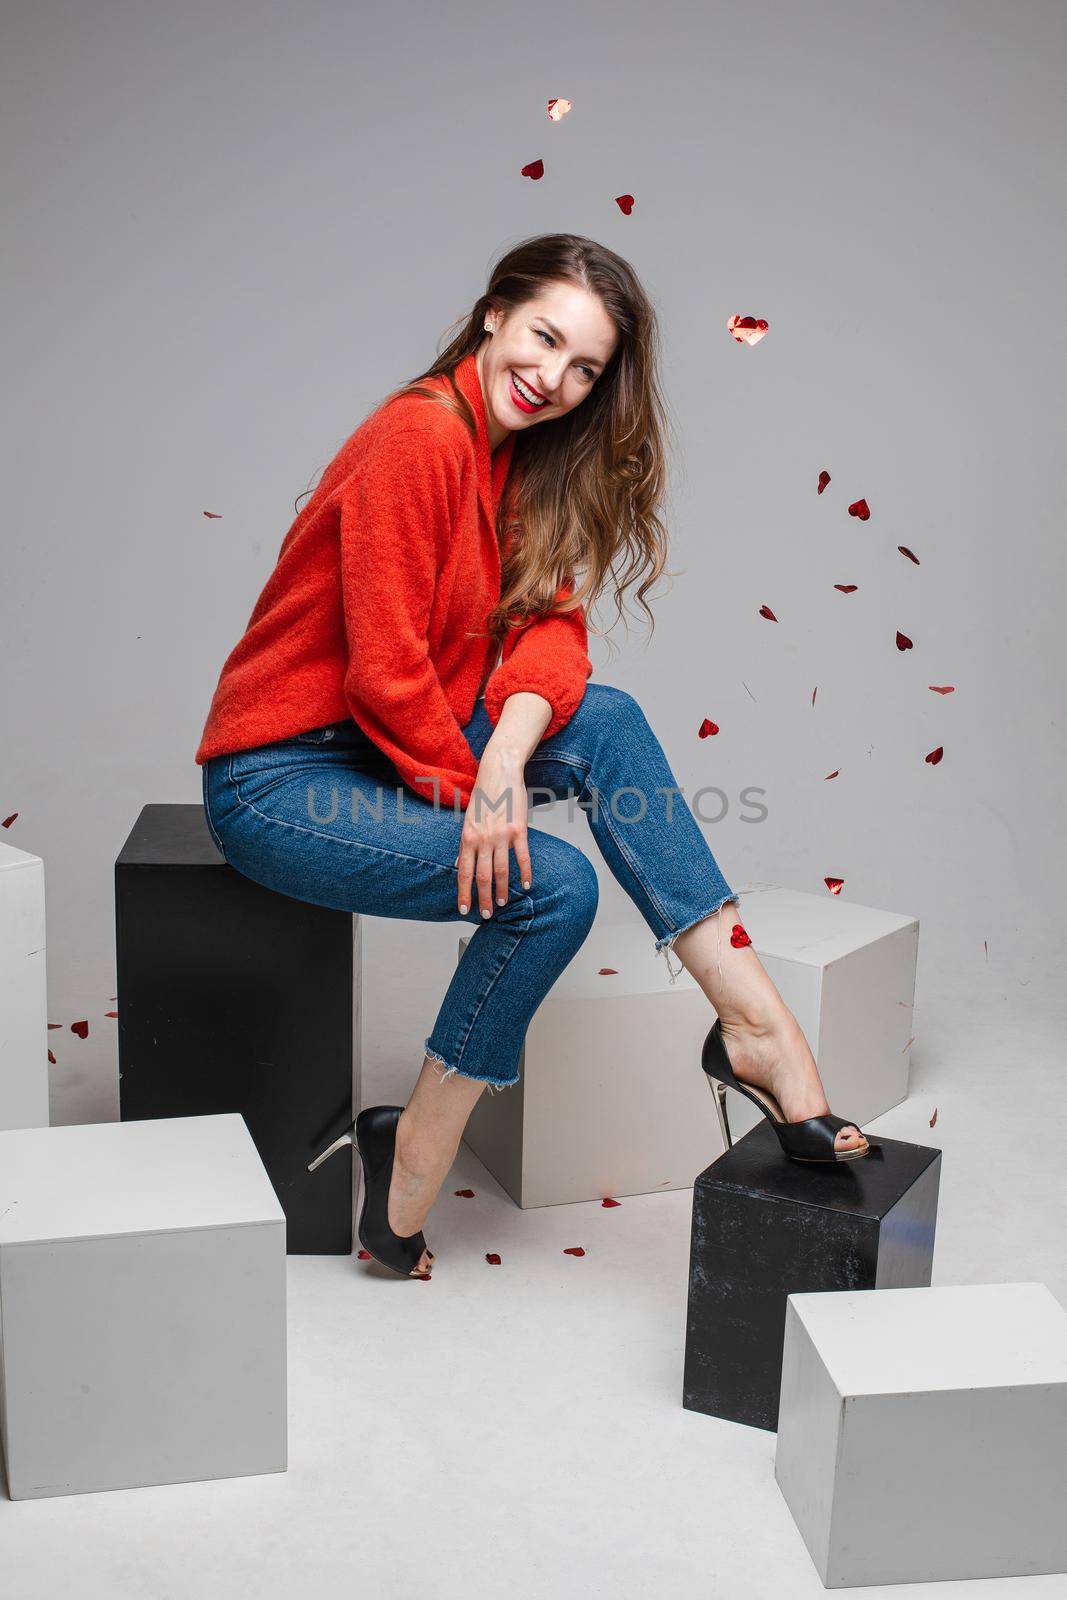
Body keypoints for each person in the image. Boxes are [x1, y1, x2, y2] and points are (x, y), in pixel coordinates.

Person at [196, 232, 871, 1280]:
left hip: (394, 741)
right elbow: (381, 674)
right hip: (285, 775)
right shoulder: (416, 437)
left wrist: (505, 756)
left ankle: (754, 1028)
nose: (550, 379)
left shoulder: (519, 455)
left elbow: (553, 631)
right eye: (542, 338)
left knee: (605, 719)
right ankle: (412, 1152)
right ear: (492, 315)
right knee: (547, 885)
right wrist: (481, 797)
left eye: (582, 367)